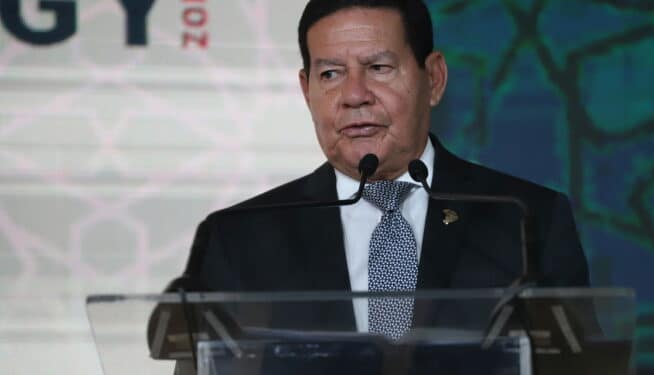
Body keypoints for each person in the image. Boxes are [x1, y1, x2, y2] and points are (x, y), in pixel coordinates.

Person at [167, 0, 589, 333]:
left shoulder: (526, 219)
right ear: (306, 90)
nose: (355, 95)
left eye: (379, 68)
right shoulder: (239, 237)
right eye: (331, 74)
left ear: (434, 79)